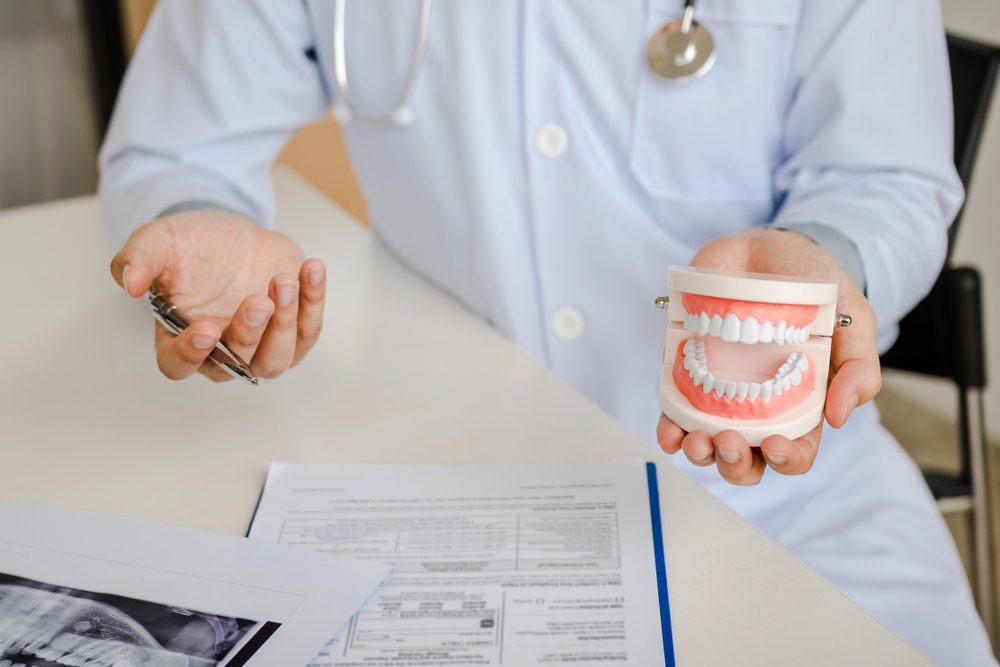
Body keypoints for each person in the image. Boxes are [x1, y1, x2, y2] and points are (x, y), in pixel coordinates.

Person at [99, 1, 995, 664]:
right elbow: (173, 146)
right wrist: (194, 215)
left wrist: (823, 256)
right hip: (447, 484)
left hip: (789, 504)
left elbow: (889, 177)